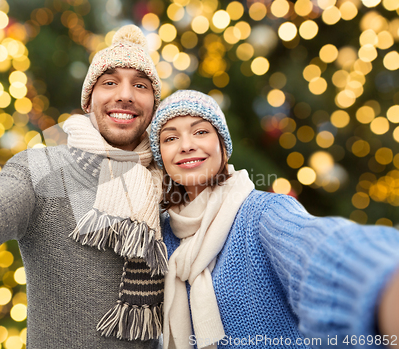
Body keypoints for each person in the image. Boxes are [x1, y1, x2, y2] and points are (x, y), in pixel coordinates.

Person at [0, 25, 167, 348]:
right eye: (109, 82)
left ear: (153, 105)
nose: (125, 94)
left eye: (140, 85)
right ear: (88, 101)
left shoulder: (167, 183)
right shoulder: (42, 169)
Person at [149, 90, 399, 349]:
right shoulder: (161, 236)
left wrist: (381, 279)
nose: (186, 145)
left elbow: (317, 249)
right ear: (161, 157)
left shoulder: (263, 213)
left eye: (200, 132)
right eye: (170, 138)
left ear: (221, 144)